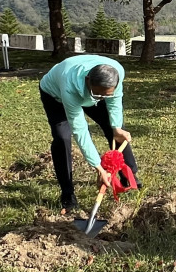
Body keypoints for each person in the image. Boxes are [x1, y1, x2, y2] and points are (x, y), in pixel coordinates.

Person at [39, 55, 139, 214]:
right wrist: (98, 168)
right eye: (99, 95)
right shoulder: (69, 85)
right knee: (62, 138)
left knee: (116, 130)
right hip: (55, 96)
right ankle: (67, 194)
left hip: (91, 92)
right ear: (87, 80)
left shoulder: (116, 73)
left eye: (105, 95)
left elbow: (114, 102)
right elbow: (80, 130)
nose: (101, 99)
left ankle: (130, 176)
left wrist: (116, 127)